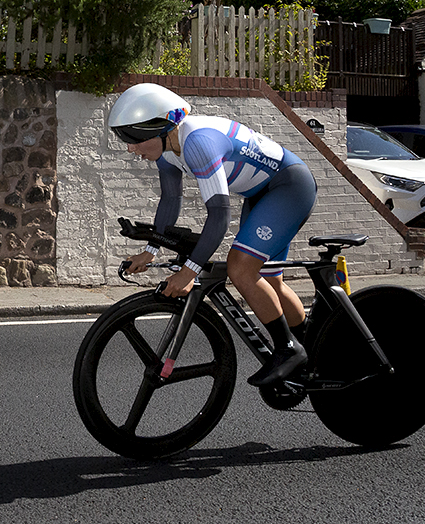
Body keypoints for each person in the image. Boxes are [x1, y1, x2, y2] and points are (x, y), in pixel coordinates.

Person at [108, 83, 317, 387]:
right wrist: (150, 252)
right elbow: (170, 202)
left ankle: (288, 350)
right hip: (261, 194)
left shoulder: (197, 143)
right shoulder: (168, 149)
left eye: (134, 139)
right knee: (269, 283)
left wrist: (189, 271)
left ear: (161, 127)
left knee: (240, 268)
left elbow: (219, 215)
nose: (130, 148)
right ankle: (312, 349)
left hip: (289, 187)